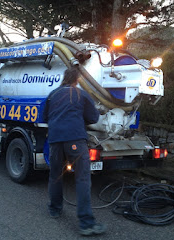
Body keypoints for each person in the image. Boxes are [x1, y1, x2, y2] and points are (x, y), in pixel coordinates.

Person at [43, 66, 106, 236]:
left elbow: (44, 117)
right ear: (77, 80)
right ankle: (86, 223)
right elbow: (93, 118)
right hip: (75, 141)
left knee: (55, 176)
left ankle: (55, 209)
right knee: (82, 179)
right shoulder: (81, 94)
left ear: (64, 78)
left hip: (55, 141)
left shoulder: (52, 94)